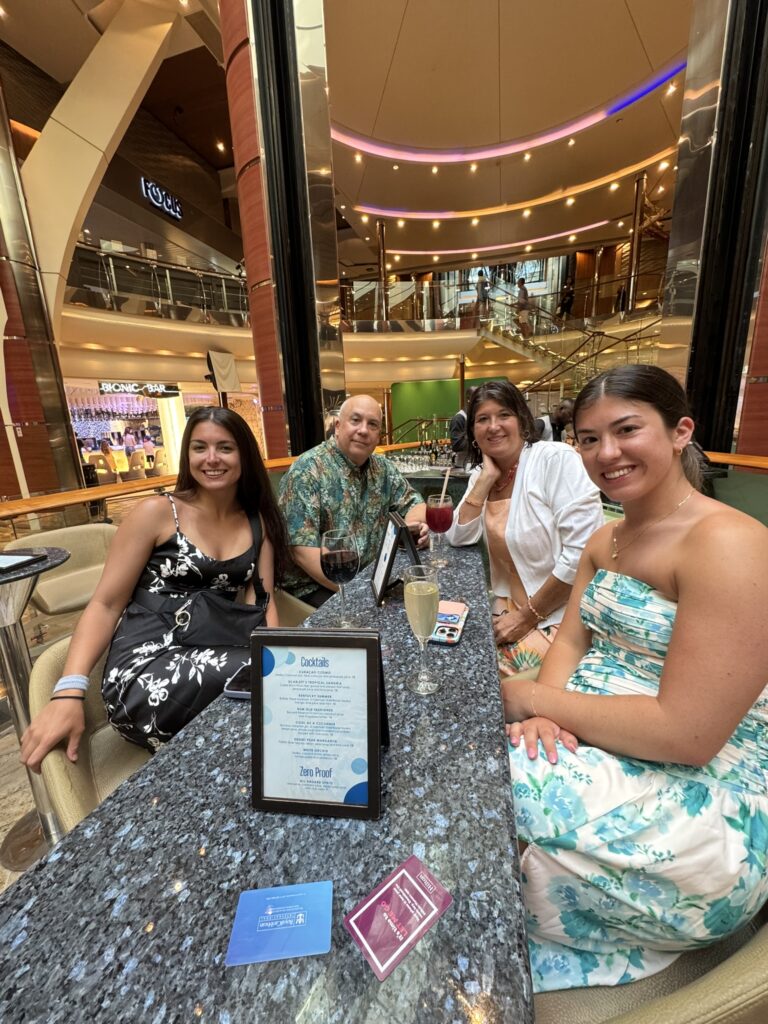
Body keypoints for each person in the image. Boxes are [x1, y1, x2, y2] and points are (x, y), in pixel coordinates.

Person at [502, 366, 768, 993]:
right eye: (589, 439)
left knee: (482, 782)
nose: (607, 453)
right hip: (603, 740)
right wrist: (545, 713)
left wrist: (533, 697)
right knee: (473, 765)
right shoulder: (607, 540)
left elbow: (690, 734)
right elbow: (568, 639)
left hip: (707, 794)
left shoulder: (728, 542)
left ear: (680, 432)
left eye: (626, 431)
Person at [21, 408, 290, 765]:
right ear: (187, 454)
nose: (211, 459)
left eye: (225, 448)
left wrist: (287, 659)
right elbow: (105, 605)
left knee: (285, 679)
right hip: (147, 666)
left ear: (244, 455)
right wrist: (68, 691)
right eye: (199, 448)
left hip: (217, 651)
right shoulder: (158, 513)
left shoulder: (258, 522)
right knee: (264, 676)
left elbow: (263, 602)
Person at [446, 380, 603, 677]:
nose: (493, 426)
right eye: (483, 419)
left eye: (504, 415)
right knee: (451, 658)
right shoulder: (483, 473)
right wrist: (484, 482)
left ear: (521, 420)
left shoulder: (555, 459)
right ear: (473, 432)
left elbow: (583, 554)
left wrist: (527, 617)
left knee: (479, 682)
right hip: (506, 607)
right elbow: (458, 536)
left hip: (560, 616)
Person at [279, 394, 428, 606]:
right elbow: (301, 552)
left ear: (378, 436)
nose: (363, 430)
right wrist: (359, 593)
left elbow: (416, 504)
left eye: (373, 424)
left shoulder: (383, 469)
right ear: (338, 426)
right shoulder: (306, 472)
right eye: (355, 420)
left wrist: (415, 530)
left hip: (370, 580)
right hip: (314, 588)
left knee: (421, 598)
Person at [449, 386, 476, 467]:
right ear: (468, 399)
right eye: (476, 397)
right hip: (462, 466)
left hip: (475, 464)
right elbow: (456, 445)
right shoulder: (459, 418)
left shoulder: (476, 416)